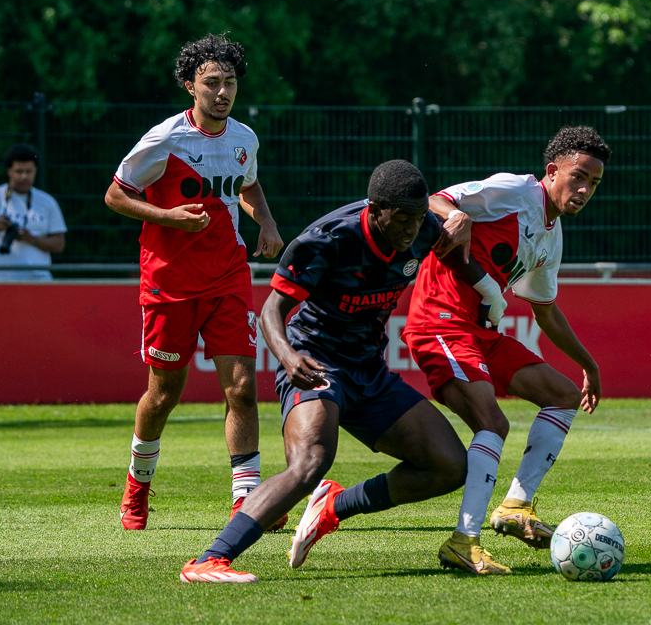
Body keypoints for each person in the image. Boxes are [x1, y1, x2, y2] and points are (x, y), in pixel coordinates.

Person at [179, 159, 468, 583]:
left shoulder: (424, 230)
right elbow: (271, 311)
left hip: (368, 368)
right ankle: (209, 559)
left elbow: (451, 226)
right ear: (375, 208)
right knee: (310, 461)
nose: (412, 229)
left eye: (419, 218)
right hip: (315, 359)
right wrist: (288, 358)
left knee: (449, 465)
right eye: (403, 219)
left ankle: (334, 507)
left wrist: (488, 291)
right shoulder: (328, 239)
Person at [401, 125, 612, 575]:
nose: (583, 190)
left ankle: (516, 505)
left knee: (561, 395)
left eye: (593, 183)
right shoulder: (516, 191)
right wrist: (451, 215)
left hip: (481, 333)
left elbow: (547, 312)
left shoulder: (551, 237)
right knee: (492, 422)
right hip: (439, 320)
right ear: (552, 171)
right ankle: (464, 540)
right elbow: (437, 199)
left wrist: (587, 365)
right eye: (577, 177)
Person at [104, 33, 284, 531]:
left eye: (229, 83)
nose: (223, 92)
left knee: (243, 389)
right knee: (164, 394)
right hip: (169, 282)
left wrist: (264, 221)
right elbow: (115, 197)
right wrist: (168, 217)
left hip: (228, 274)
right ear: (190, 86)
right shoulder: (165, 139)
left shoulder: (244, 138)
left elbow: (248, 184)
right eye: (211, 83)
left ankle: (248, 503)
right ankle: (137, 486)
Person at [0, 143, 67, 281]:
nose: (24, 177)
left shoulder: (48, 202)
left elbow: (59, 244)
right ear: (9, 170)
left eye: (29, 171)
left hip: (37, 279)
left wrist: (31, 239)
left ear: (36, 170)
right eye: (19, 171)